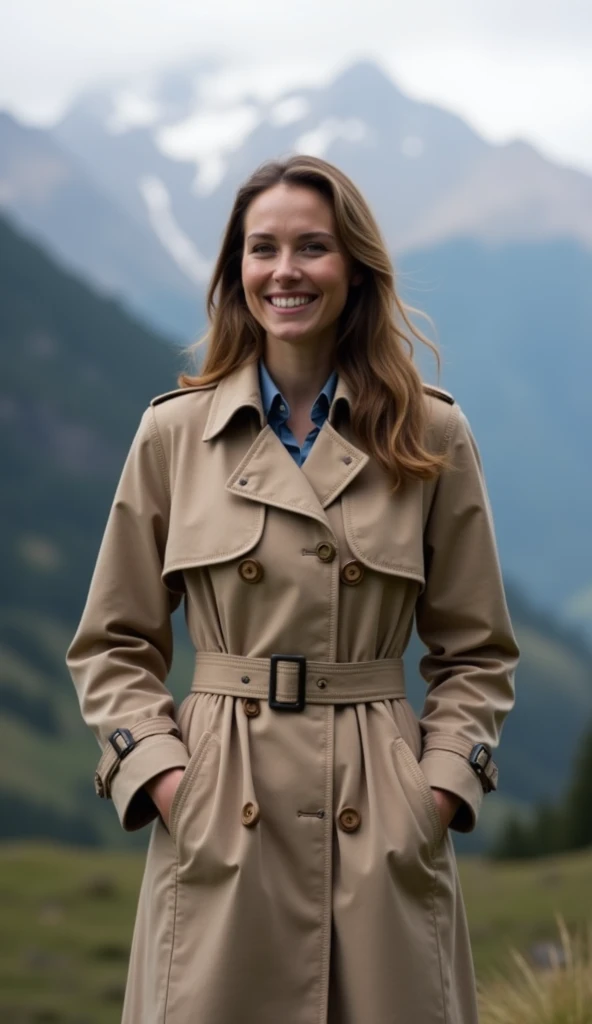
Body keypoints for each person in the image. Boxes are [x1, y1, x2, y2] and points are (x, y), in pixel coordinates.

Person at [66, 154, 518, 1024]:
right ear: (237, 272)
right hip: (218, 810)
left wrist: (434, 795)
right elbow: (112, 644)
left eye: (312, 247)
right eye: (262, 248)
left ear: (353, 266)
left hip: (381, 810)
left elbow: (478, 651)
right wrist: (168, 783)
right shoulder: (174, 434)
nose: (286, 271)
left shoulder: (431, 434)